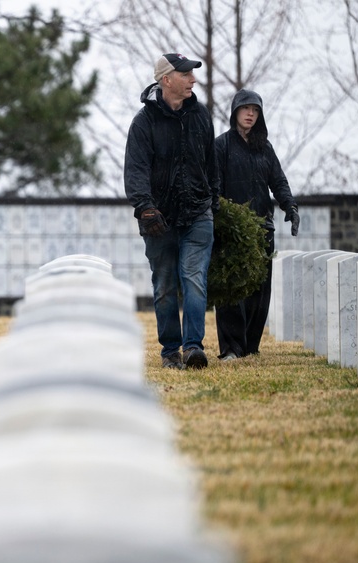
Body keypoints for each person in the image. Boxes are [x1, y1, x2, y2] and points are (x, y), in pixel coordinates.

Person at [124, 53, 217, 370]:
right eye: (185, 74)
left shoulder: (201, 116)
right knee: (164, 287)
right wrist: (145, 208)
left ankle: (193, 348)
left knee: (194, 280)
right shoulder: (143, 123)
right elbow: (135, 171)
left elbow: (211, 165)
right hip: (159, 220)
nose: (193, 79)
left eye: (192, 74)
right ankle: (170, 351)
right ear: (166, 80)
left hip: (198, 214)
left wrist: (214, 204)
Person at [214, 89, 299, 360]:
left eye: (256, 110)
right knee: (231, 290)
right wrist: (221, 219)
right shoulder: (221, 146)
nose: (250, 114)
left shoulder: (265, 148)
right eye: (246, 108)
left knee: (259, 292)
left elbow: (279, 182)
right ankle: (231, 348)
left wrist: (290, 207)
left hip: (263, 229)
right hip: (232, 231)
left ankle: (250, 347)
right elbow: (214, 186)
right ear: (235, 111)